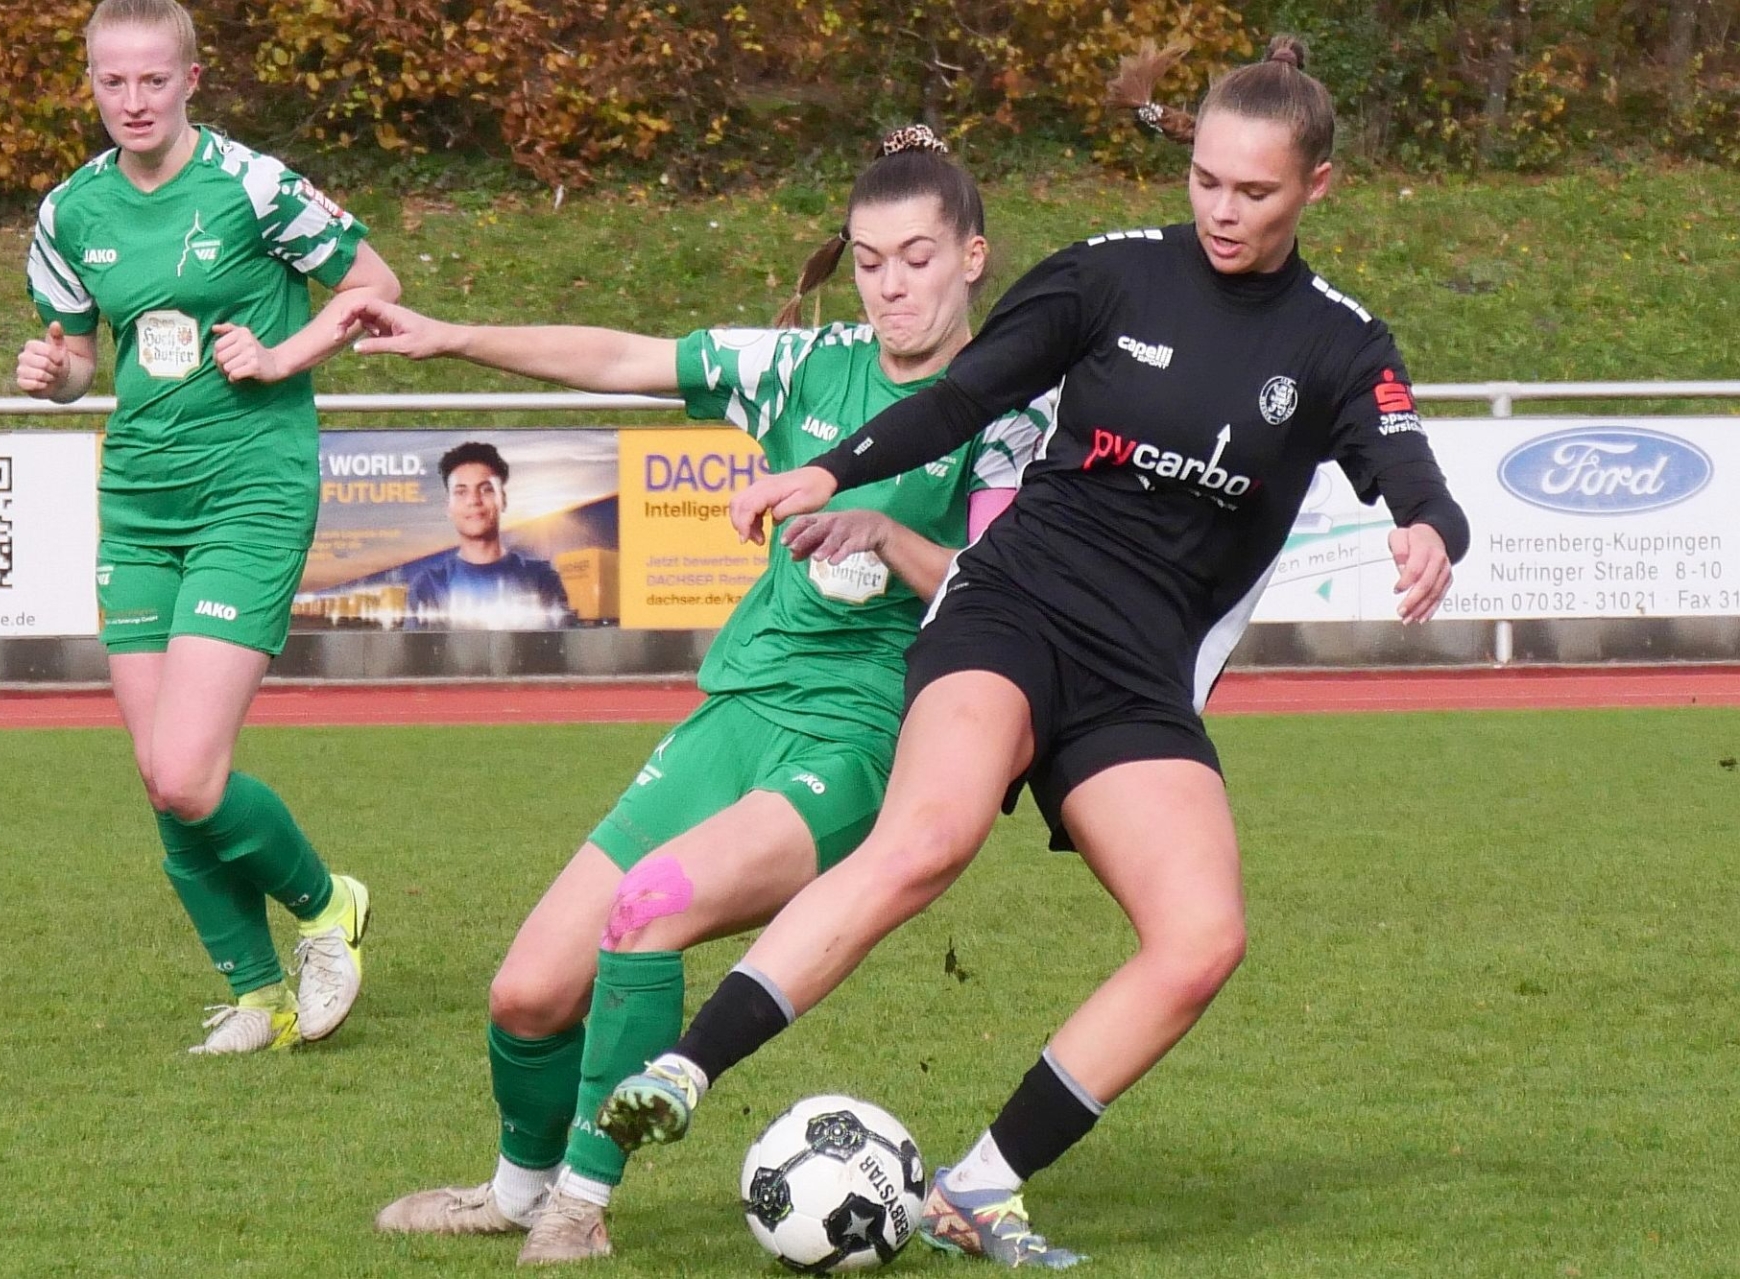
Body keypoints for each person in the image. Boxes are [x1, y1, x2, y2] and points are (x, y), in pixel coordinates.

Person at [596, 37, 1471, 1269]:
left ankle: (979, 1188)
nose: (1223, 210)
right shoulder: (1109, 275)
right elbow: (964, 396)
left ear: (1316, 186)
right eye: (1206, 180)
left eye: (1255, 190)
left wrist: (1430, 529)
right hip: (1010, 607)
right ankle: (687, 1068)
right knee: (928, 839)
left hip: (1137, 678)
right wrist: (832, 470)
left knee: (1202, 937)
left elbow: (1414, 471)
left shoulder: (1341, 344)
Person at [343, 126, 1054, 1264]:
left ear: (973, 257)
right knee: (527, 992)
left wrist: (883, 533)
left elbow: (999, 590)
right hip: (735, 710)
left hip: (859, 734)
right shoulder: (806, 367)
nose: (890, 287)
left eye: (917, 259)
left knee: (648, 911)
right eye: (870, 261)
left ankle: (581, 1205)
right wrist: (450, 336)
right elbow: (623, 355)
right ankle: (518, 1190)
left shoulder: (1011, 413)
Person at [16, 0, 400, 1054]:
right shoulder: (70, 211)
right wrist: (53, 374)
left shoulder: (254, 184)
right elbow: (81, 357)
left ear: (192, 78)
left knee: (189, 769)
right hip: (139, 500)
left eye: (154, 79)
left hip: (250, 490)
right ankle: (259, 994)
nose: (133, 101)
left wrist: (282, 357)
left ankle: (328, 903)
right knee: (162, 778)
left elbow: (374, 285)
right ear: (91, 84)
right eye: (112, 82)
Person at [404, 441, 575, 629]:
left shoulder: (542, 579)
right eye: (461, 492)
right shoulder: (428, 586)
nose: (473, 500)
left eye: (486, 489)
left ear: (503, 500)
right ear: (449, 507)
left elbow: (562, 646)